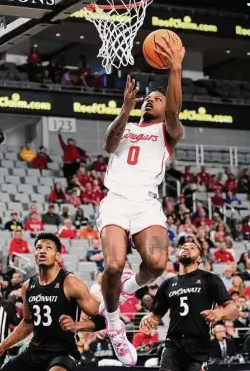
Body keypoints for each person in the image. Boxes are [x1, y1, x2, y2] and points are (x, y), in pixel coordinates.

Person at [97, 38, 185, 365]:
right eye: (148, 97)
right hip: (117, 202)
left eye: (157, 98)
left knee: (158, 265)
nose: (150, 100)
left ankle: (130, 287)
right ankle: (115, 323)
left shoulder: (169, 131)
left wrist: (175, 69)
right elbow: (108, 145)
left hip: (147, 203)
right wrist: (125, 110)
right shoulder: (129, 127)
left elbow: (175, 111)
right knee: (113, 265)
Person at [0, 233, 104, 371]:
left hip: (64, 352)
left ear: (57, 256)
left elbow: (103, 318)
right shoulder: (27, 286)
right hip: (35, 350)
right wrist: (3, 345)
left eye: (48, 248)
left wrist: (77, 325)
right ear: (35, 255)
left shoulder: (71, 282)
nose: (42, 250)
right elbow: (27, 322)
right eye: (39, 248)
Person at [139, 242, 239, 371]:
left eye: (192, 247)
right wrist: (148, 321)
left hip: (199, 346)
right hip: (172, 346)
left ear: (199, 259)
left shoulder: (209, 278)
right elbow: (156, 316)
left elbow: (234, 310)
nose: (186, 248)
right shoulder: (167, 284)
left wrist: (219, 313)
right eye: (183, 247)